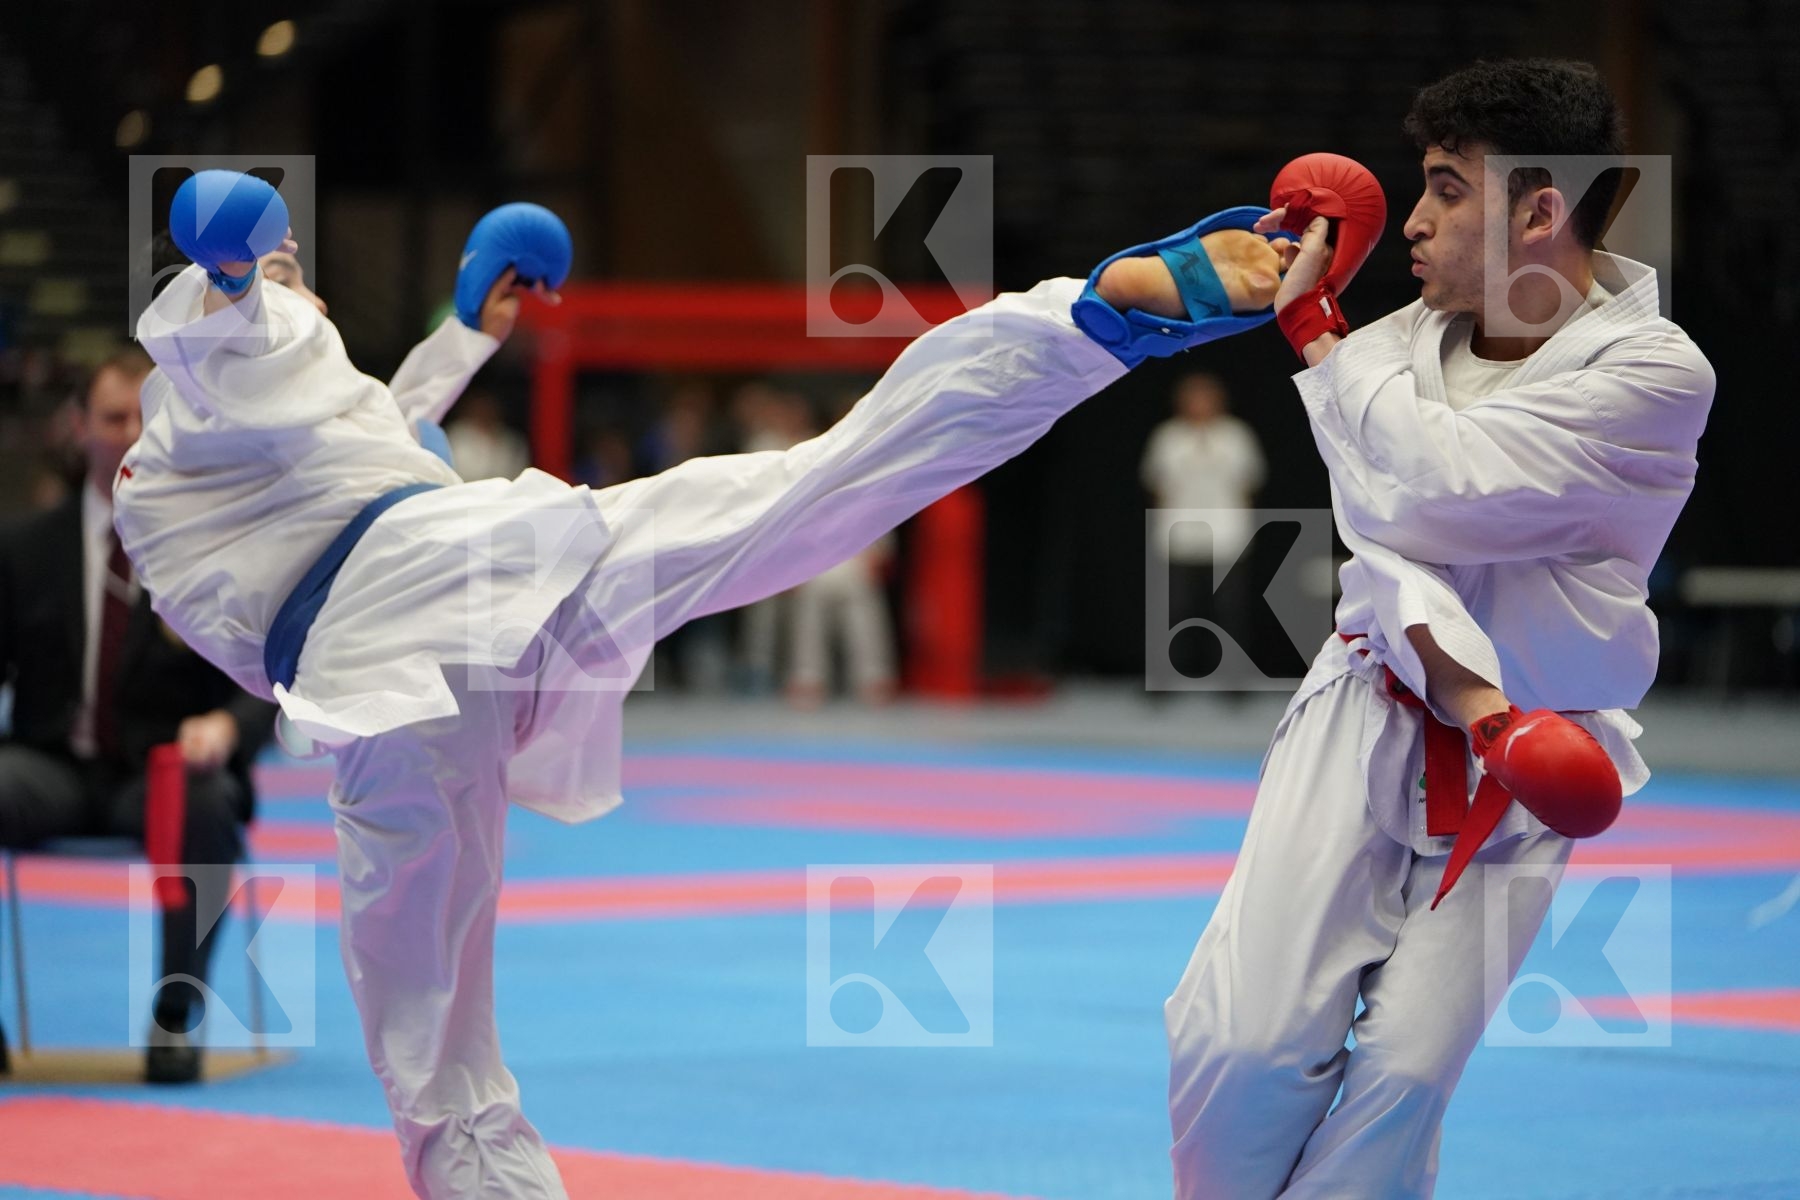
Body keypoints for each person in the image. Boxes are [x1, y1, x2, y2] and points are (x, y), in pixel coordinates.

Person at [117, 172, 1297, 1196]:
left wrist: (467, 325)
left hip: (418, 633)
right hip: (439, 612)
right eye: (280, 271)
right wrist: (232, 264)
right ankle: (1089, 321)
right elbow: (239, 352)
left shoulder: (265, 422)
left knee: (436, 1058)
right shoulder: (209, 373)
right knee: (816, 486)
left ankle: (1091, 320)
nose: (293, 288)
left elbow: (358, 421)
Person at [1162, 60, 1715, 1198]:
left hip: (1533, 750)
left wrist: (1317, 334)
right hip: (1365, 709)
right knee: (1239, 1043)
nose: (1412, 222)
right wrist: (1338, 348)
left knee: (1407, 1076)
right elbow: (1388, 516)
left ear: (1540, 210)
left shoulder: (1655, 372)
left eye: (1446, 189)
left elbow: (1433, 494)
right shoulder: (1397, 345)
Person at [0, 346, 277, 1083]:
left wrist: (225, 728)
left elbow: (265, 677)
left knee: (206, 799)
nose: (128, 432)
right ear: (78, 427)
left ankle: (175, 1017)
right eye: (113, 416)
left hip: (161, 771)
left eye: (143, 418)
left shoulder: (212, 544)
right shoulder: (24, 547)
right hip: (50, 764)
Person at [1140, 372, 1266, 679]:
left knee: (1229, 610)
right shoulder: (1168, 437)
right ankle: (1166, 677)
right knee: (1175, 609)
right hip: (1180, 532)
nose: (1199, 404)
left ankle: (1232, 678)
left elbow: (1250, 482)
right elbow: (1156, 484)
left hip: (1225, 533)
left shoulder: (1236, 436)